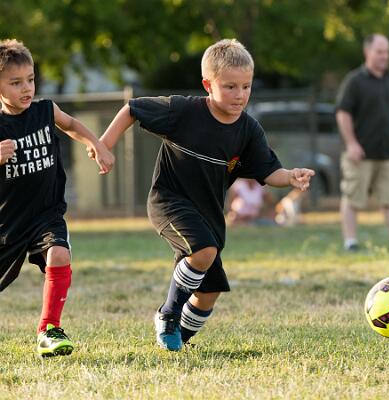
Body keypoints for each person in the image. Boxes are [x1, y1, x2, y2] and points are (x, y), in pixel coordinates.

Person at [90, 39, 314, 351]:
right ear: (208, 85)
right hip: (169, 201)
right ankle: (168, 315)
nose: (240, 95)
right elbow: (133, 108)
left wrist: (290, 176)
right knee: (204, 251)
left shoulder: (248, 130)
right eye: (230, 87)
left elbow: (267, 172)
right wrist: (104, 144)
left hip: (209, 213)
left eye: (246, 87)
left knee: (209, 292)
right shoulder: (183, 111)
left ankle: (178, 341)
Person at [0, 39, 114, 357]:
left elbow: (71, 124)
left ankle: (49, 329)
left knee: (60, 254)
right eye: (15, 83)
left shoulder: (45, 110)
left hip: (46, 213)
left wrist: (95, 144)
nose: (26, 88)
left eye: (30, 79)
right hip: (7, 221)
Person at [336, 33, 389, 251]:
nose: (385, 56)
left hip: (387, 153)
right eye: (380, 52)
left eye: (387, 52)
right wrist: (352, 144)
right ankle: (351, 242)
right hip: (359, 154)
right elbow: (343, 113)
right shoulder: (355, 81)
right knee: (353, 198)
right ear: (367, 52)